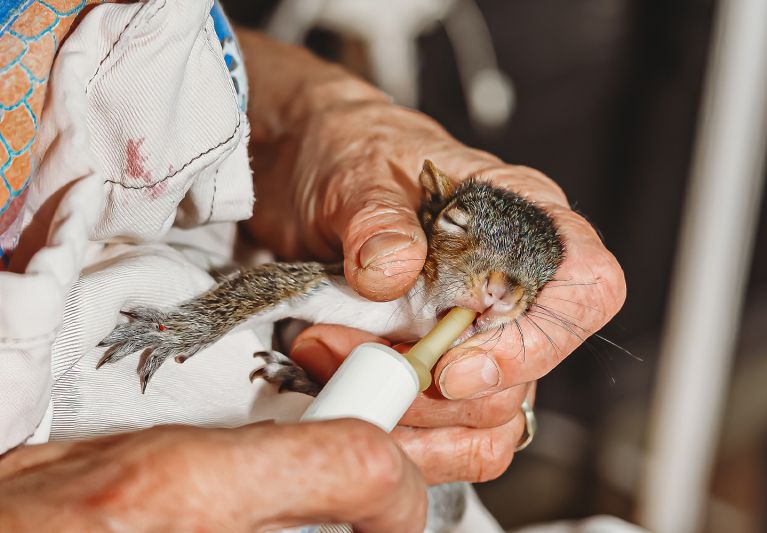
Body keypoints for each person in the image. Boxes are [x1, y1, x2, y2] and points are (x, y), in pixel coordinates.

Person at [0, 2, 625, 531]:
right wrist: (188, 327)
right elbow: (271, 291)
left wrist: (310, 116)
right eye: (463, 238)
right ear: (440, 228)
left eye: (521, 294)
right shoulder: (375, 294)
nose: (495, 298)